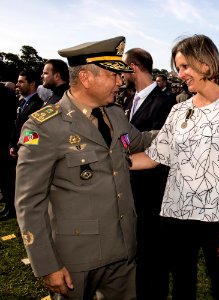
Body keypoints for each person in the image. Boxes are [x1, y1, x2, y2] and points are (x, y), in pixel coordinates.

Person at [14, 36, 155, 299]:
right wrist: (47, 264)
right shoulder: (43, 127)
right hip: (75, 259)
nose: (120, 82)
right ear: (87, 78)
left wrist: (187, 127)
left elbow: (144, 141)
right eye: (114, 75)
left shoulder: (114, 115)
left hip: (122, 250)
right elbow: (29, 202)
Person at [130, 34, 219, 300]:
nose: (180, 73)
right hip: (175, 217)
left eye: (185, 66)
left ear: (205, 64)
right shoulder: (178, 110)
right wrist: (111, 161)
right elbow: (154, 156)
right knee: (182, 289)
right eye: (178, 67)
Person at [122, 47, 176, 299]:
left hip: (153, 192)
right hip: (132, 190)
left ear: (133, 67)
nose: (120, 75)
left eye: (123, 69)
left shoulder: (165, 103)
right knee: (138, 252)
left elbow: (160, 152)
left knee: (154, 256)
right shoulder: (130, 99)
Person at [10, 69, 43, 160]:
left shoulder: (37, 104)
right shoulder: (22, 102)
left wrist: (26, 152)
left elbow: (33, 131)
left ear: (32, 84)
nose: (17, 85)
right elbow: (16, 125)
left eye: (21, 82)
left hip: (26, 154)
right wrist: (12, 145)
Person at [0, 83, 18, 221]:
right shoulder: (8, 93)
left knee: (7, 178)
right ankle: (8, 205)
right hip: (6, 139)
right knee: (4, 178)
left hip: (5, 140)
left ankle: (11, 207)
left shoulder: (6, 93)